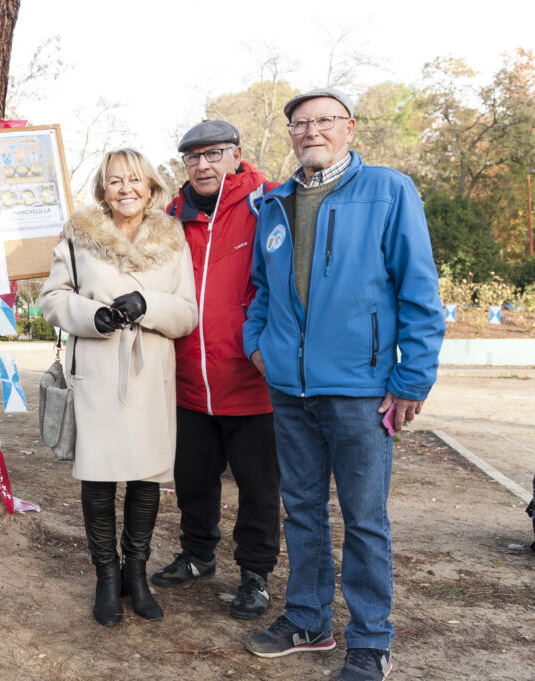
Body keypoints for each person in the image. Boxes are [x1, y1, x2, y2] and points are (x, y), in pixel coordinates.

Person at [242, 88, 445, 681]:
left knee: (364, 518)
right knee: (301, 510)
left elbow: (419, 293)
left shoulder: (389, 190)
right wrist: (262, 350)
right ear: (290, 136)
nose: (311, 131)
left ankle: (370, 639)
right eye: (300, 123)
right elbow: (258, 292)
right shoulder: (274, 202)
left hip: (361, 391)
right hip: (290, 391)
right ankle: (307, 619)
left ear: (349, 128)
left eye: (324, 120)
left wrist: (411, 379)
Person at [39, 149, 198, 626]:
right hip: (98, 369)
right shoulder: (78, 237)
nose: (125, 189)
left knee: (147, 479)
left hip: (150, 375)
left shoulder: (173, 240)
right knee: (100, 477)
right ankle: (106, 577)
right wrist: (95, 315)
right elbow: (52, 298)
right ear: (102, 190)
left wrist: (147, 303)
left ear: (150, 187)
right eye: (114, 181)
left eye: (134, 180)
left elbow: (188, 313)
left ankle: (137, 574)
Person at [151, 120, 281, 621]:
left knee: (259, 486)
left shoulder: (267, 203)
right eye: (192, 157)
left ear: (236, 155)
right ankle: (198, 554)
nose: (202, 165)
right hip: (188, 382)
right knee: (192, 479)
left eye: (214, 154)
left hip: (252, 380)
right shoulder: (170, 218)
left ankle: (254, 574)